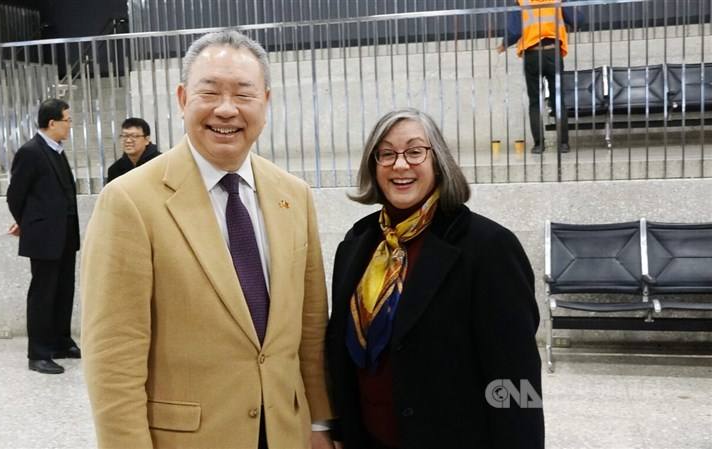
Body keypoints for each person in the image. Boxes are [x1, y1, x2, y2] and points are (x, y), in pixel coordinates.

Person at [80, 31, 334, 449]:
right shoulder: (130, 201)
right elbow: (113, 359)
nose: (227, 109)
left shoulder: (294, 195)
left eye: (244, 94)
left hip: (286, 432)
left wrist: (321, 422)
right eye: (210, 92)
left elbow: (309, 330)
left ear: (266, 103)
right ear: (182, 99)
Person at [325, 108, 544, 449]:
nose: (400, 165)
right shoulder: (356, 244)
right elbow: (339, 351)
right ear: (373, 165)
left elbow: (515, 378)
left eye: (415, 151)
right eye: (387, 153)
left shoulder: (488, 248)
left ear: (438, 161)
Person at [6, 98, 81, 375]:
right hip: (44, 236)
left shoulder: (56, 150)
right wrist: (26, 223)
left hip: (64, 235)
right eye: (67, 120)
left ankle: (60, 341)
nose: (70, 125)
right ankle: (38, 353)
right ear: (52, 123)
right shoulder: (31, 152)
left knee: (64, 290)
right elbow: (15, 195)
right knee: (43, 293)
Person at [497, 0, 583, 154]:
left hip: (532, 54)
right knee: (558, 99)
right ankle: (563, 144)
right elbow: (577, 21)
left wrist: (505, 43)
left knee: (535, 101)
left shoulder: (522, 1)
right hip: (553, 53)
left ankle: (539, 145)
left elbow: (515, 31)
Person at [106, 117, 161, 182]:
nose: (128, 140)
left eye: (134, 136)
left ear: (147, 140)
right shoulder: (115, 169)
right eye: (124, 136)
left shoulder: (161, 163)